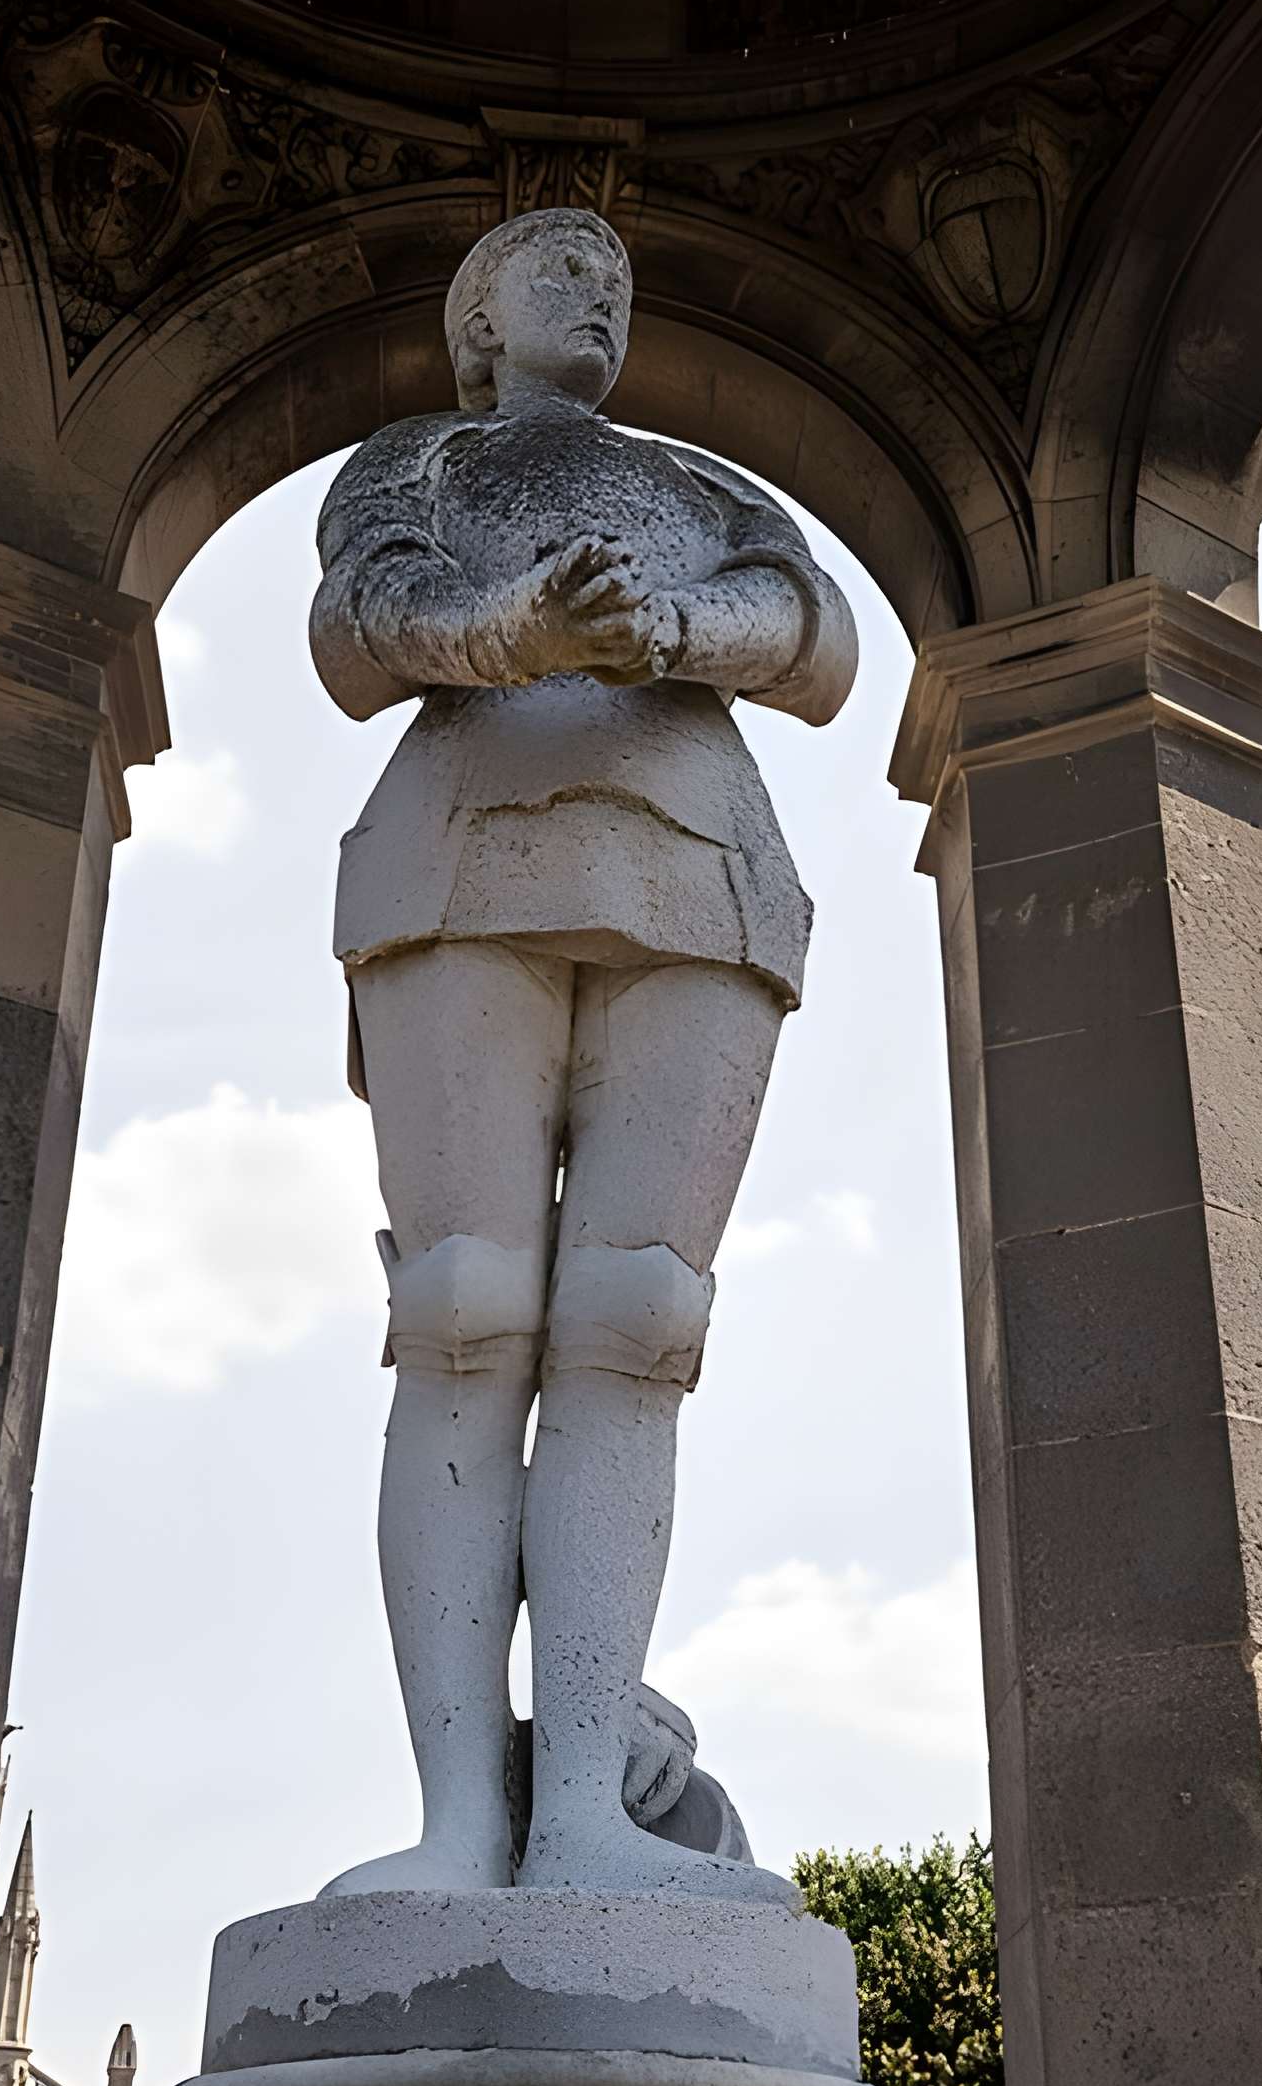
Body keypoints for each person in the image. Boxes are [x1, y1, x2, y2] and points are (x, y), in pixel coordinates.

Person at [309, 205, 857, 1899]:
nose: (599, 294)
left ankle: (587, 1815)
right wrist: (521, 630)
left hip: (699, 873)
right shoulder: (415, 461)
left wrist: (673, 637)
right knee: (466, 1308)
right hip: (464, 857)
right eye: (557, 271)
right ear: (476, 322)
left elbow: (818, 632)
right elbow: (359, 625)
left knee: (639, 1323)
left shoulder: (699, 485)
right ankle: (462, 1817)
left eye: (616, 279)